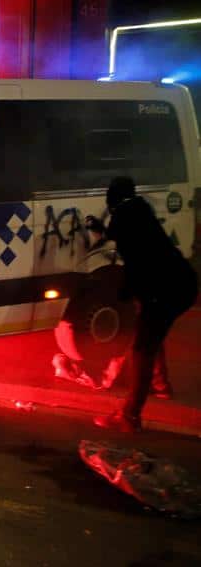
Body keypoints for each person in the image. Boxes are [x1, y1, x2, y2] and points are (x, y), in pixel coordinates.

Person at [93, 176, 198, 432]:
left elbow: (131, 258)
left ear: (114, 198)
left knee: (142, 349)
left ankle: (130, 416)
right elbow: (121, 238)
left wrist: (125, 294)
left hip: (164, 291)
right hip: (181, 284)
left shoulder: (124, 216)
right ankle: (160, 387)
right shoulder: (140, 210)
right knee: (151, 337)